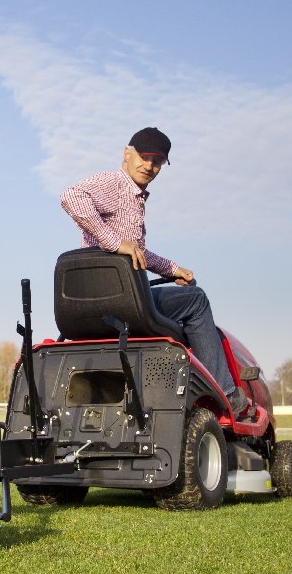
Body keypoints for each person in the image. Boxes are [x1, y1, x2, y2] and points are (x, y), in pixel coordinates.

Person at [60, 126, 250, 417]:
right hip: (120, 300)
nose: (149, 166)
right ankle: (226, 394)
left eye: (158, 161)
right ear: (127, 153)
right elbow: (70, 196)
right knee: (196, 301)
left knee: (181, 295)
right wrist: (114, 242)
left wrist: (172, 269)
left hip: (103, 297)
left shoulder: (134, 199)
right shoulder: (114, 183)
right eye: (145, 157)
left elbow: (135, 252)